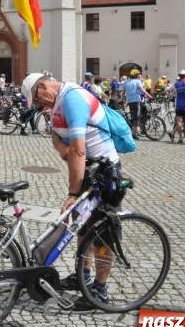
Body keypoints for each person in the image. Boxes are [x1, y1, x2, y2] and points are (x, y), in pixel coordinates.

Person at [32, 75, 125, 310]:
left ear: (43, 85)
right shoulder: (56, 105)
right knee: (80, 223)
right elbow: (59, 143)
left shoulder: (72, 99)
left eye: (37, 98)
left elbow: (77, 152)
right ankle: (81, 274)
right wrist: (65, 147)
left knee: (103, 230)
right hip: (87, 170)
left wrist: (72, 193)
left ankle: (100, 288)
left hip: (105, 170)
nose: (40, 104)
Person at [122, 69, 152, 139]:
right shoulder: (138, 81)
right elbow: (142, 90)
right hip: (136, 101)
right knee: (136, 117)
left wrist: (124, 100)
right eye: (138, 75)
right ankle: (133, 134)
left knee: (133, 115)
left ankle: (136, 130)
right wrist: (150, 96)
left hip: (129, 101)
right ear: (136, 75)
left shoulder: (126, 82)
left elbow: (123, 92)